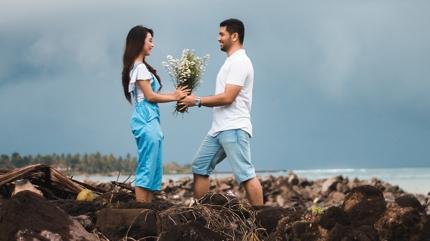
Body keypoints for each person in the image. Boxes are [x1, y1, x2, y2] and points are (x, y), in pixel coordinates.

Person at [179, 19, 263, 205]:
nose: (218, 38)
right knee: (200, 166)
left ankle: (262, 221)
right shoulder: (230, 62)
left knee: (246, 174)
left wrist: (197, 100)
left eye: (221, 34)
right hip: (218, 129)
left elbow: (228, 97)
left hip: (234, 127)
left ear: (235, 36)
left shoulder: (240, 61)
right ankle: (201, 213)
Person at [122, 25, 189, 202]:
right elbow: (150, 96)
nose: (152, 45)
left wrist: (175, 95)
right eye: (150, 40)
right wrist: (175, 97)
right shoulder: (140, 69)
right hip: (146, 119)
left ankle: (147, 210)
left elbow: (149, 96)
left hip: (149, 119)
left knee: (153, 167)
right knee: (147, 166)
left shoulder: (138, 67)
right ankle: (141, 210)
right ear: (139, 42)